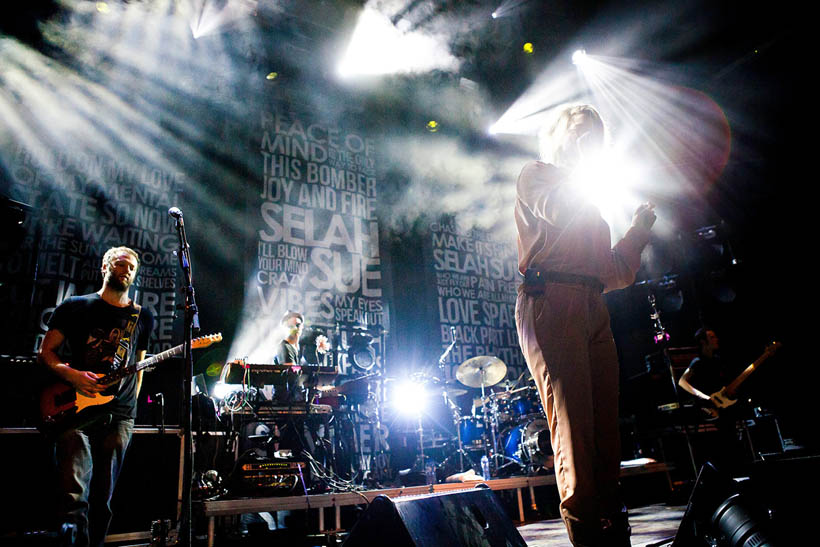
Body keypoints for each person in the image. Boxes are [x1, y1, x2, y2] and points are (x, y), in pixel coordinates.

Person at [514, 104, 656, 546]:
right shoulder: (536, 174)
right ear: (559, 135)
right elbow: (558, 210)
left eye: (596, 132)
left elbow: (614, 272)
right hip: (551, 299)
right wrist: (581, 173)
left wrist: (637, 231)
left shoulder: (591, 202)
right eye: (581, 129)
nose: (589, 137)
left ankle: (614, 531)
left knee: (605, 432)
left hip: (593, 304)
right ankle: (589, 536)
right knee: (574, 432)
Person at [38, 246, 155, 547]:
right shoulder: (76, 306)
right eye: (120, 263)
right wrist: (73, 375)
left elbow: (137, 367)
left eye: (132, 267)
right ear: (105, 266)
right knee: (74, 496)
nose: (126, 270)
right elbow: (47, 352)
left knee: (104, 498)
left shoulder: (142, 316)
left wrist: (130, 410)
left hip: (120, 416)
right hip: (78, 409)